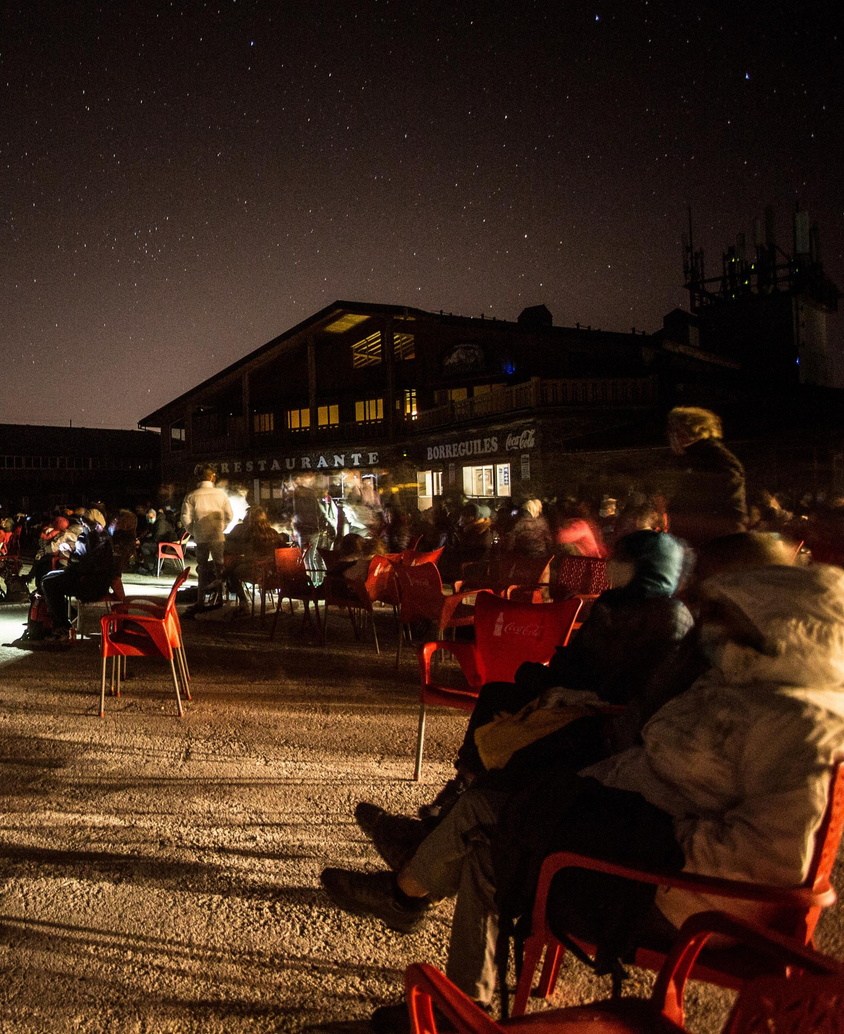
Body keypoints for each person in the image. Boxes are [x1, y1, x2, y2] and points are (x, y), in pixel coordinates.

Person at [324, 558, 839, 1030]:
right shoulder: (745, 687)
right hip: (629, 837)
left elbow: (766, 857)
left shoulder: (802, 725)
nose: (716, 629)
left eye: (732, 618)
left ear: (780, 626)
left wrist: (625, 828)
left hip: (665, 892)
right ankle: (432, 943)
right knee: (501, 803)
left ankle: (408, 899)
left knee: (492, 829)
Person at [664, 406, 748, 545]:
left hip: (714, 545)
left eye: (674, 431)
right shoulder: (694, 458)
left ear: (685, 432)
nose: (670, 437)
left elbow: (731, 512)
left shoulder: (716, 460)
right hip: (701, 543)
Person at [36, 509, 117, 639]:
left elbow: (87, 563)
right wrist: (72, 553)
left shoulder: (96, 538)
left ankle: (61, 624)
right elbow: (84, 559)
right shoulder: (95, 536)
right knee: (47, 577)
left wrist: (72, 557)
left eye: (85, 523)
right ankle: (60, 617)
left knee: (49, 583)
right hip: (86, 576)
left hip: (89, 582)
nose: (82, 525)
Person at [180, 467, 232, 617]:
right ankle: (220, 598)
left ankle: (201, 600)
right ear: (212, 478)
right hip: (217, 536)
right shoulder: (221, 495)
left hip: (201, 536)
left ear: (199, 478)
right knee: (219, 567)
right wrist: (221, 527)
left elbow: (185, 517)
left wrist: (193, 530)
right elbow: (229, 515)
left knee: (202, 568)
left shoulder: (192, 495)